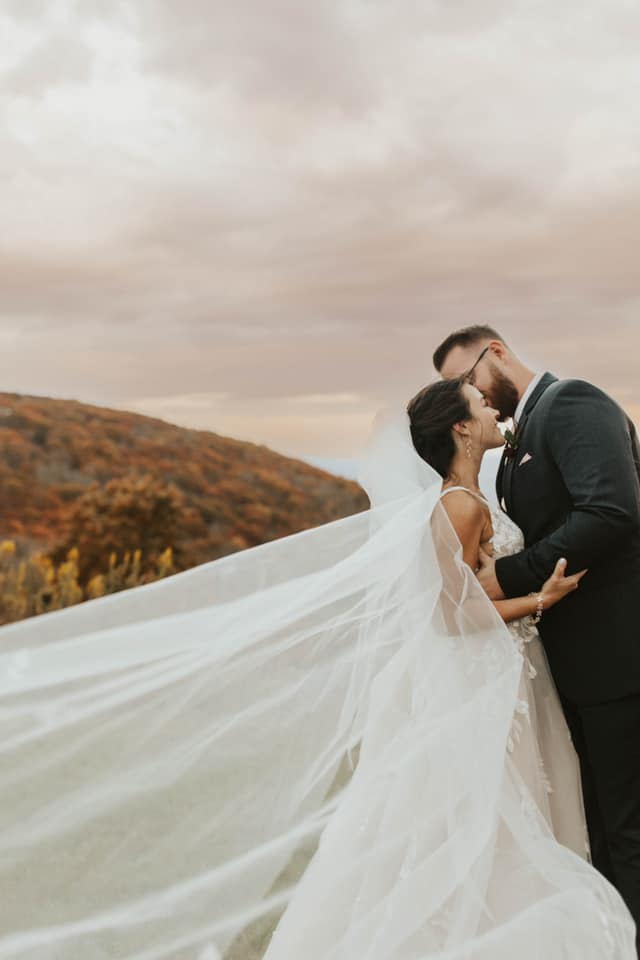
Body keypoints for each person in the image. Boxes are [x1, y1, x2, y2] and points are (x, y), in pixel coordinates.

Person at [0, 378, 635, 959]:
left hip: (505, 669)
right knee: (490, 812)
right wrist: (538, 598)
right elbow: (452, 614)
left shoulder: (468, 496)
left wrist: (523, 598)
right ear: (462, 430)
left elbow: (468, 590)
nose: (493, 407)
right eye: (478, 401)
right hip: (482, 673)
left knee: (503, 808)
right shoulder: (460, 505)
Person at [434, 324, 640, 955]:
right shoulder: (513, 445)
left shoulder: (572, 402)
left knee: (629, 833)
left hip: (618, 658)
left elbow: (611, 510)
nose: (467, 399)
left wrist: (509, 577)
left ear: (494, 353)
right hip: (569, 669)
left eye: (464, 382)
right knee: (597, 830)